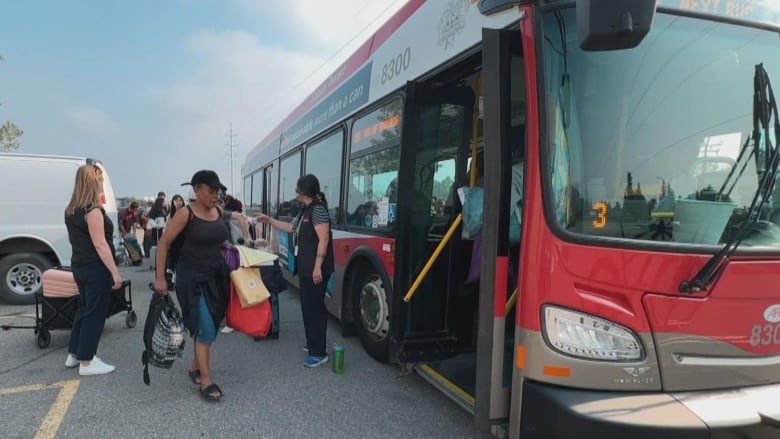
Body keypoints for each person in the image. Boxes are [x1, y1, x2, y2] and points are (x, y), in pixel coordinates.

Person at [153, 170, 230, 402]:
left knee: (213, 324)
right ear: (197, 190)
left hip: (216, 276)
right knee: (204, 327)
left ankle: (195, 368)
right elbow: (163, 243)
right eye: (211, 191)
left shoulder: (218, 211)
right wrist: (160, 278)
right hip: (192, 278)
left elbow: (220, 240)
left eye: (217, 192)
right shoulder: (185, 214)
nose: (215, 196)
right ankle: (206, 379)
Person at [257, 174, 334, 367]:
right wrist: (269, 220)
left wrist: (317, 267)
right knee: (308, 307)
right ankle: (313, 343)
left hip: (316, 269)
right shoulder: (306, 210)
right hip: (306, 268)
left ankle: (319, 352)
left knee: (315, 308)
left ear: (304, 191)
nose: (296, 194)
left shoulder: (318, 211)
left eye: (298, 190)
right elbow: (290, 227)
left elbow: (323, 239)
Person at [63, 164, 123, 376]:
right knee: (95, 313)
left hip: (79, 264)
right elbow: (100, 245)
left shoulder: (71, 210)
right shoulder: (92, 210)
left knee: (84, 308)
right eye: (99, 181)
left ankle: (74, 353)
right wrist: (115, 272)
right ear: (93, 182)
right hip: (95, 267)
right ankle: (87, 361)